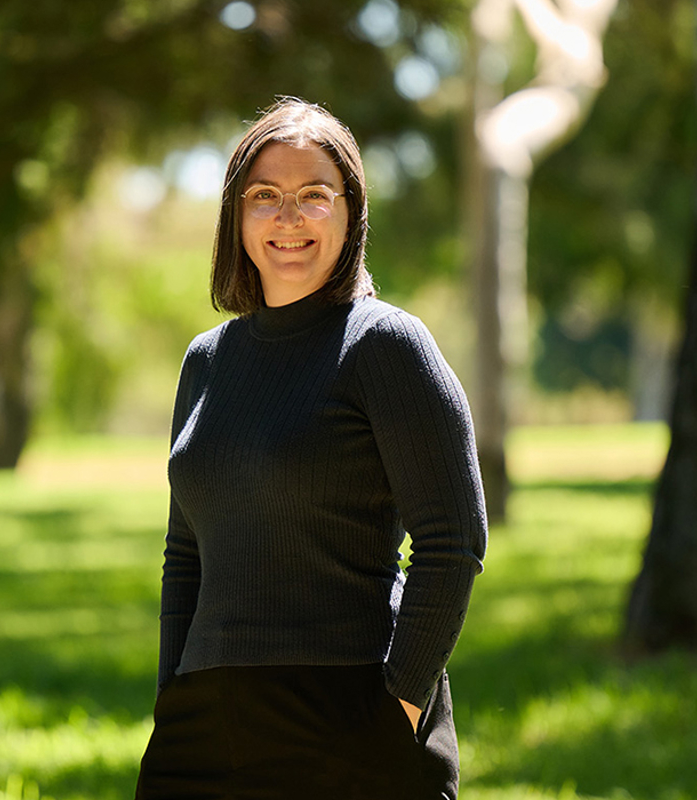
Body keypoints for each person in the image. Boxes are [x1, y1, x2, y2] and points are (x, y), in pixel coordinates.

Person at [135, 97, 488, 800]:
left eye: (313, 196)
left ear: (351, 212)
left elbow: (453, 540)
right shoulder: (207, 360)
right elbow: (186, 552)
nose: (288, 217)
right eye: (264, 195)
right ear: (236, 217)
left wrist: (401, 704)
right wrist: (172, 689)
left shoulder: (386, 345)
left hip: (349, 718)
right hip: (203, 725)